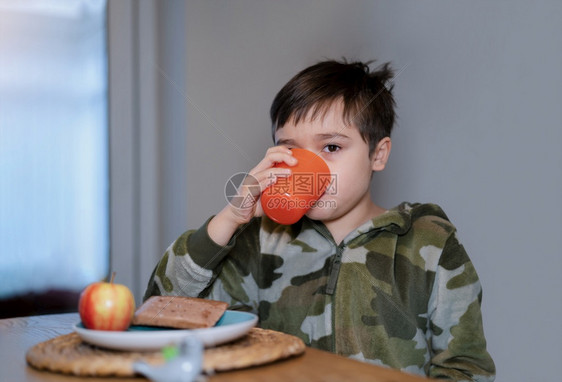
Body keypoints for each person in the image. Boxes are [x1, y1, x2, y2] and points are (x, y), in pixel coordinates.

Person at [144, 59, 496, 381]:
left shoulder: (428, 242)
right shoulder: (264, 241)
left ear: (378, 154)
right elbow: (164, 314)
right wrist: (230, 219)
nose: (307, 169)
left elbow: (467, 368)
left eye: (331, 148)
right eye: (292, 151)